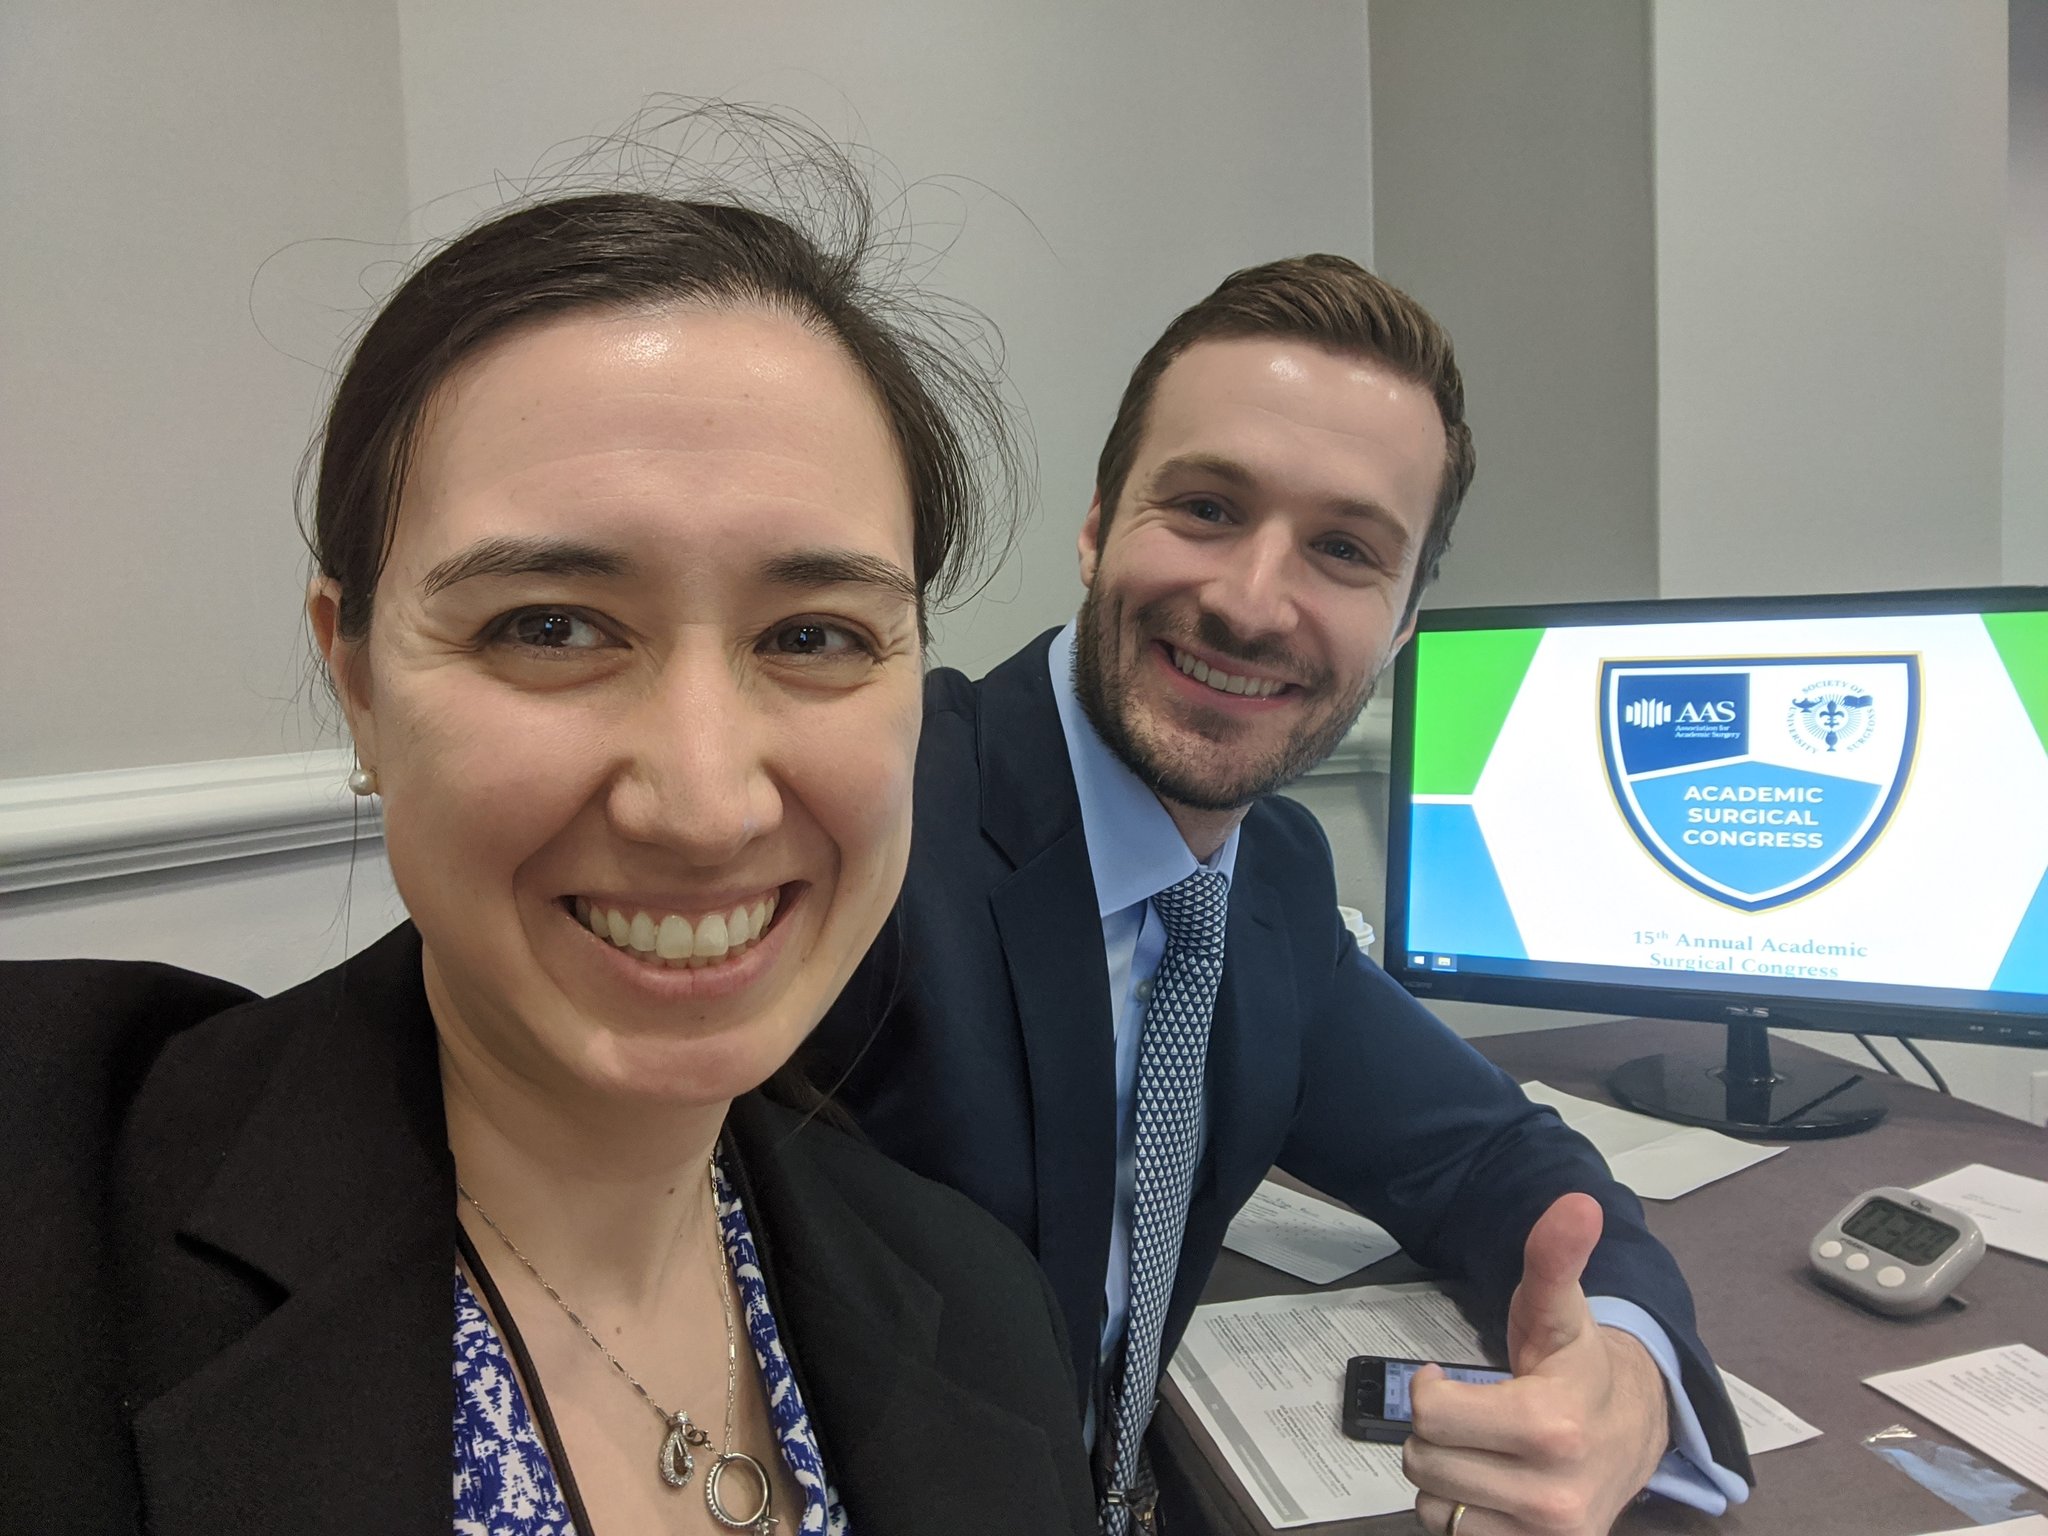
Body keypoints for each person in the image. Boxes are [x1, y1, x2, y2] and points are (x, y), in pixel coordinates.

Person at [0, 186, 1099, 1536]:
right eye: (550, 628)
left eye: (812, 637)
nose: (703, 806)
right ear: (357, 680)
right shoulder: (52, 1208)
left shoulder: (982, 1311)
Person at [804, 256, 1755, 1536]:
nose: (1251, 604)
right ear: (1096, 525)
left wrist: (1626, 1375)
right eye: (1205, 508)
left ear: (1402, 621)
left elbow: (1489, 1155)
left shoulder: (1266, 884)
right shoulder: (868, 822)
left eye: (1344, 550)